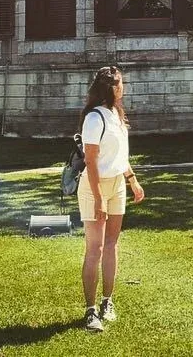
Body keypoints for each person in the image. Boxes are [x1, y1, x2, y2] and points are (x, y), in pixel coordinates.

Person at [78, 65, 145, 333]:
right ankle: (90, 310)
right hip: (95, 187)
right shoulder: (94, 119)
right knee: (95, 249)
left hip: (117, 184)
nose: (123, 88)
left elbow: (120, 156)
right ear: (111, 87)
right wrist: (98, 199)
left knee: (112, 245)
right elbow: (91, 162)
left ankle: (108, 301)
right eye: (121, 84)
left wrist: (132, 180)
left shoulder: (116, 115)